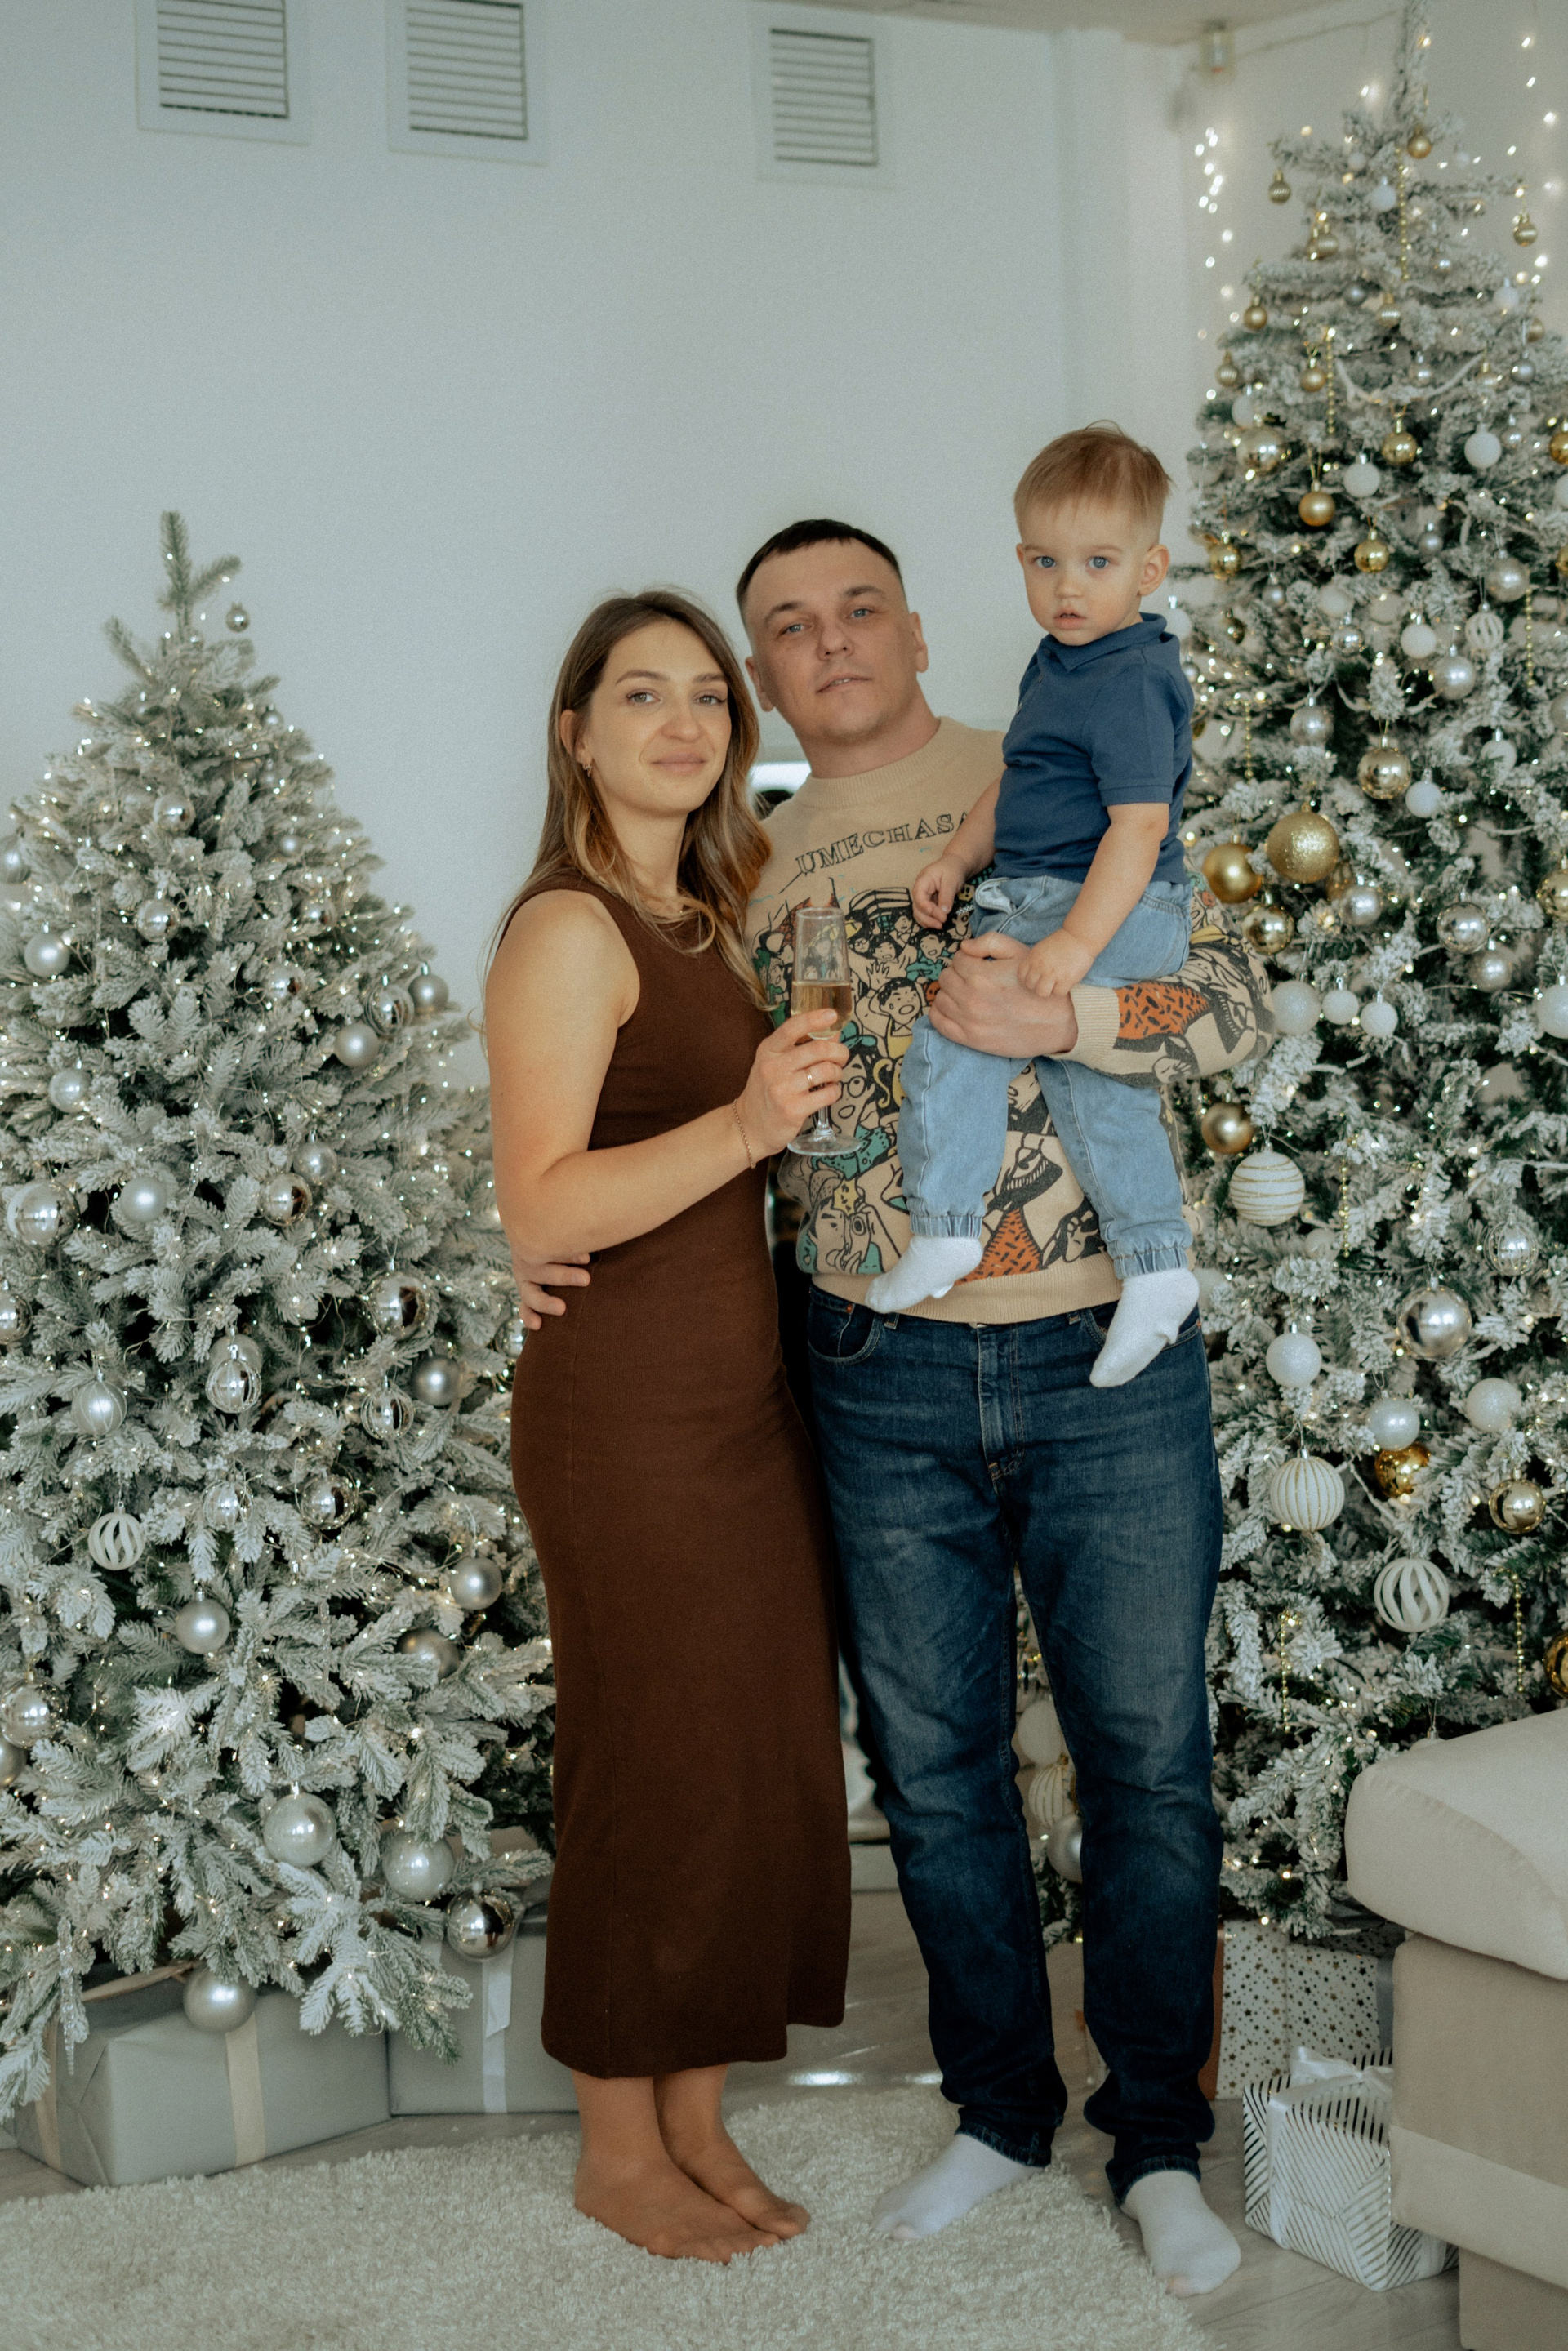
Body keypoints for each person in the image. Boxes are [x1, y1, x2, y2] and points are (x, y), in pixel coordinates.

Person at [517, 525, 1271, 2297]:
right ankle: (999, 2109)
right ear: (763, 678)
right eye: (786, 627)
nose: (831, 641)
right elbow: (648, 1101)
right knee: (934, 1775)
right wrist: (542, 1244)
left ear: (921, 628)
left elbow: (1235, 1002)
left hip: (1102, 1349)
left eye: (860, 607)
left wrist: (1074, 1011)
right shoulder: (731, 866)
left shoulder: (1058, 769)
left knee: (1149, 1763)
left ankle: (1158, 2140)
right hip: (869, 1367)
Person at [485, 588, 852, 2265]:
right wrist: (752, 1119)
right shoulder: (571, 928)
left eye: (708, 693)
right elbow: (544, 1206)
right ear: (576, 732)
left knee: (742, 1760)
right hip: (624, 1412)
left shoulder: (708, 917)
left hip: (739, 1405)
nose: (686, 721)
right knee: (648, 1763)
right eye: (642, 694)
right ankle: (616, 2145)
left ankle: (698, 2113)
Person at [867, 426, 1200, 1391]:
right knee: (1091, 1081)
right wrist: (957, 856)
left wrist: (1075, 943)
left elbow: (1139, 827)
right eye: (1046, 562)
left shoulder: (1131, 679)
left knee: (958, 1032)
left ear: (1148, 569)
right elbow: (1020, 776)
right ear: (1021, 559)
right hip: (1050, 890)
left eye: (1098, 563)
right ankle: (1158, 1266)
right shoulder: (1058, 662)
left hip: (1105, 899)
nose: (1068, 587)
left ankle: (946, 1227)